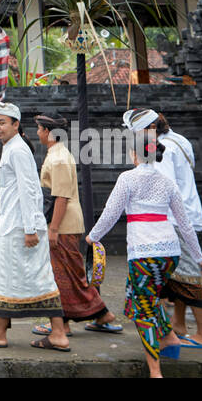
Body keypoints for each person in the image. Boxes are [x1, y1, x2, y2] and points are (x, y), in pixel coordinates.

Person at [87, 108, 202, 379]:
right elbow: (185, 224)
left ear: (134, 153)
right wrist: (200, 257)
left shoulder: (127, 178)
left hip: (144, 254)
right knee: (138, 297)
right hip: (169, 255)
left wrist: (93, 236)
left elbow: (110, 213)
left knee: (142, 310)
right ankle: (168, 337)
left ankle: (155, 371)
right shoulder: (166, 182)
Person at [0, 99, 68, 352]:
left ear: (15, 124)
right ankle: (57, 333)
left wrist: (32, 228)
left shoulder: (18, 149)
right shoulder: (12, 147)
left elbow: (30, 189)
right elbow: (15, 182)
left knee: (11, 278)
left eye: (2, 123)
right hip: (16, 223)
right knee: (36, 278)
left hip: (19, 227)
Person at [31, 113, 122, 338]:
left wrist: (53, 229)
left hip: (63, 224)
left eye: (39, 129)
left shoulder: (59, 158)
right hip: (62, 222)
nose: (37, 133)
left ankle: (89, 317)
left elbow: (60, 196)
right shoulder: (55, 154)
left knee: (66, 275)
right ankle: (79, 319)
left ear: (48, 132)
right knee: (66, 274)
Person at [147, 109, 202, 349]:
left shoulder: (164, 150)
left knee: (188, 276)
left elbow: (165, 187)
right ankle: (178, 323)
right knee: (179, 275)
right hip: (186, 213)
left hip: (175, 219)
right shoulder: (180, 140)